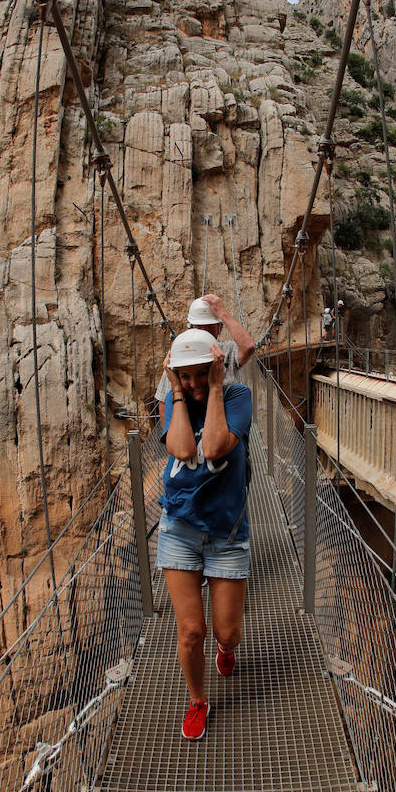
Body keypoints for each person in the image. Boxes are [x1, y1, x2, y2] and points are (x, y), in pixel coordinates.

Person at [156, 329, 252, 740]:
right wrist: (177, 392)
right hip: (179, 528)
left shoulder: (237, 397)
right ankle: (198, 700)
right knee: (191, 631)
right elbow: (181, 448)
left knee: (226, 633)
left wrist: (214, 387)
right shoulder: (172, 401)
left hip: (226, 532)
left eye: (199, 374)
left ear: (214, 369)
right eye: (185, 376)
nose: (192, 383)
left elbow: (213, 448)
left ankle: (226, 651)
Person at [155, 294, 254, 426]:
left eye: (210, 326)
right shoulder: (179, 355)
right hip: (189, 430)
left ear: (220, 328)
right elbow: (163, 402)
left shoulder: (227, 351)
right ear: (191, 328)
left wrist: (222, 313)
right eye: (200, 326)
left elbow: (248, 347)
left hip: (225, 424)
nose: (205, 331)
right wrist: (171, 437)